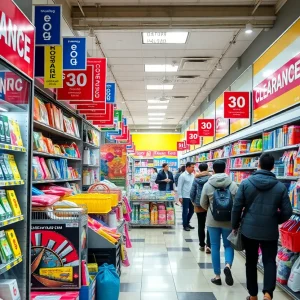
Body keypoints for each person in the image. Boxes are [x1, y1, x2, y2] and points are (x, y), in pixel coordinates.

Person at [232, 154, 292, 300]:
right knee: (269, 261)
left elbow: (237, 207)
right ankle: (268, 294)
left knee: (251, 262)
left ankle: (253, 295)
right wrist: (275, 219)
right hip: (270, 231)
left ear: (258, 164)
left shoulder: (246, 183)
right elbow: (288, 211)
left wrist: (235, 224)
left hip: (249, 230)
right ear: (273, 167)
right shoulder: (280, 187)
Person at [200, 160, 238, 286]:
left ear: (213, 170)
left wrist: (211, 211)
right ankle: (227, 265)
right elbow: (238, 202)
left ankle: (217, 276)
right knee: (228, 245)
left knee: (215, 247)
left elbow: (202, 203)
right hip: (229, 220)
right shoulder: (232, 184)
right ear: (226, 169)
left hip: (212, 221)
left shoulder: (208, 184)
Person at [190, 163, 211, 253]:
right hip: (210, 205)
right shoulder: (211, 178)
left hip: (199, 205)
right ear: (207, 169)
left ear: (199, 169)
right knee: (210, 225)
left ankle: (201, 245)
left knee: (201, 225)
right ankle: (208, 245)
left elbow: (192, 192)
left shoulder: (196, 179)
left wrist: (193, 201)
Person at [178, 162, 196, 231]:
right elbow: (179, 187)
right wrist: (180, 196)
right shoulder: (182, 176)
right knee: (185, 211)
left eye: (194, 167)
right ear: (187, 167)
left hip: (191, 197)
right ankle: (185, 225)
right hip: (185, 196)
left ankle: (187, 222)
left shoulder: (193, 175)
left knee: (192, 211)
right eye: (192, 167)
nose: (193, 169)